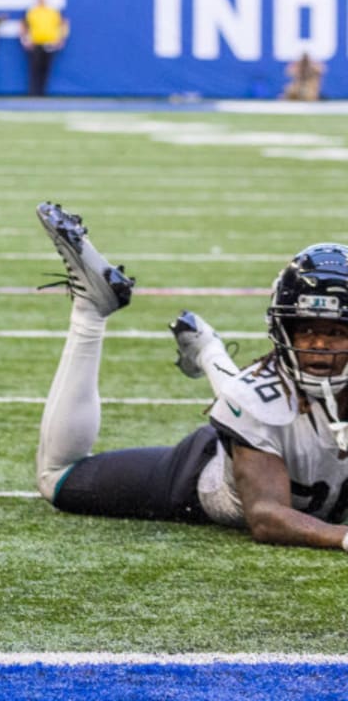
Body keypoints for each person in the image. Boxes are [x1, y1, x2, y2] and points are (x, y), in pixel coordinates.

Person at [35, 201, 348, 550]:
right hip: (199, 476)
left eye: (335, 332)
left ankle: (205, 347)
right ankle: (91, 309)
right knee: (56, 477)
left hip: (264, 427)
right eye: (306, 331)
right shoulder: (256, 400)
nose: (320, 344)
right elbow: (267, 516)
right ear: (284, 331)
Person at [20, 0, 69, 96]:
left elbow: (63, 24)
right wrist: (25, 40)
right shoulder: (32, 11)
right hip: (36, 43)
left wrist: (61, 38)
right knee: (34, 68)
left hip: (49, 44)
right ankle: (32, 92)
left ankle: (42, 93)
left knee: (46, 68)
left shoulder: (53, 11)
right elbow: (24, 26)